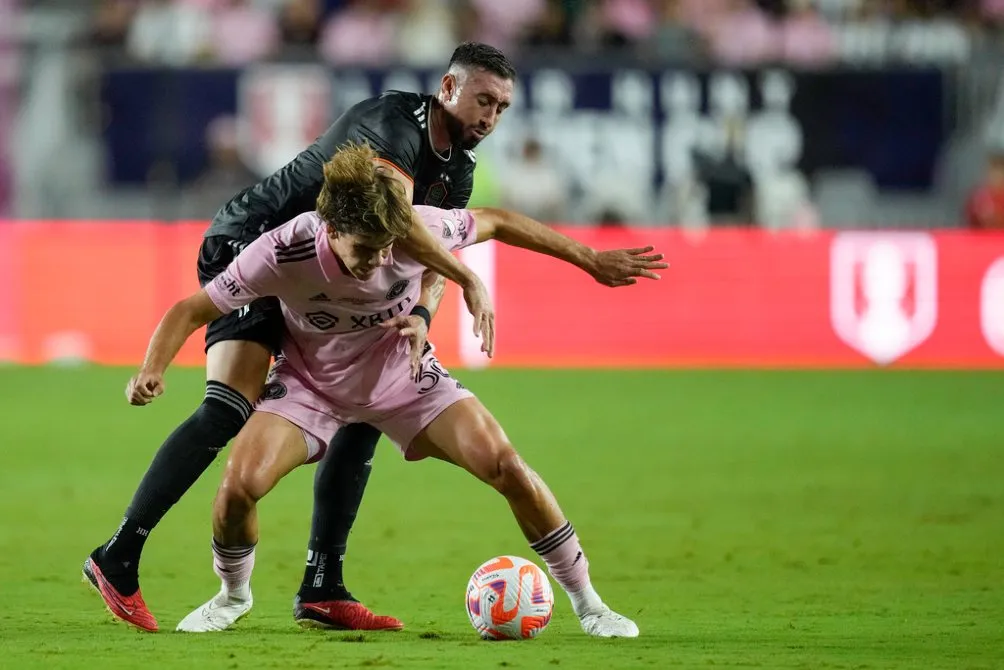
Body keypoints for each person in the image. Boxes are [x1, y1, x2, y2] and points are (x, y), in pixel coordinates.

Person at [126, 143, 664, 636]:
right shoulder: (280, 252)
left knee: (508, 466)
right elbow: (191, 309)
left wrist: (589, 259)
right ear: (330, 228)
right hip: (311, 387)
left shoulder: (413, 228)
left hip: (405, 379)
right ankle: (232, 595)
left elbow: (497, 222)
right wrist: (153, 368)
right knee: (238, 486)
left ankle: (590, 604)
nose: (383, 260)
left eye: (389, 246)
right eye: (367, 249)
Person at [84, 42, 512, 633]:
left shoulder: (457, 168)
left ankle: (322, 585)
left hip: (329, 272)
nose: (491, 117)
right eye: (483, 100)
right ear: (447, 88)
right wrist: (471, 281)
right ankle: (119, 555)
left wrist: (423, 314)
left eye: (502, 107)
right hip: (255, 247)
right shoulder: (392, 123)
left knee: (364, 398)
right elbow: (398, 221)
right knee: (227, 406)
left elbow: (429, 255)